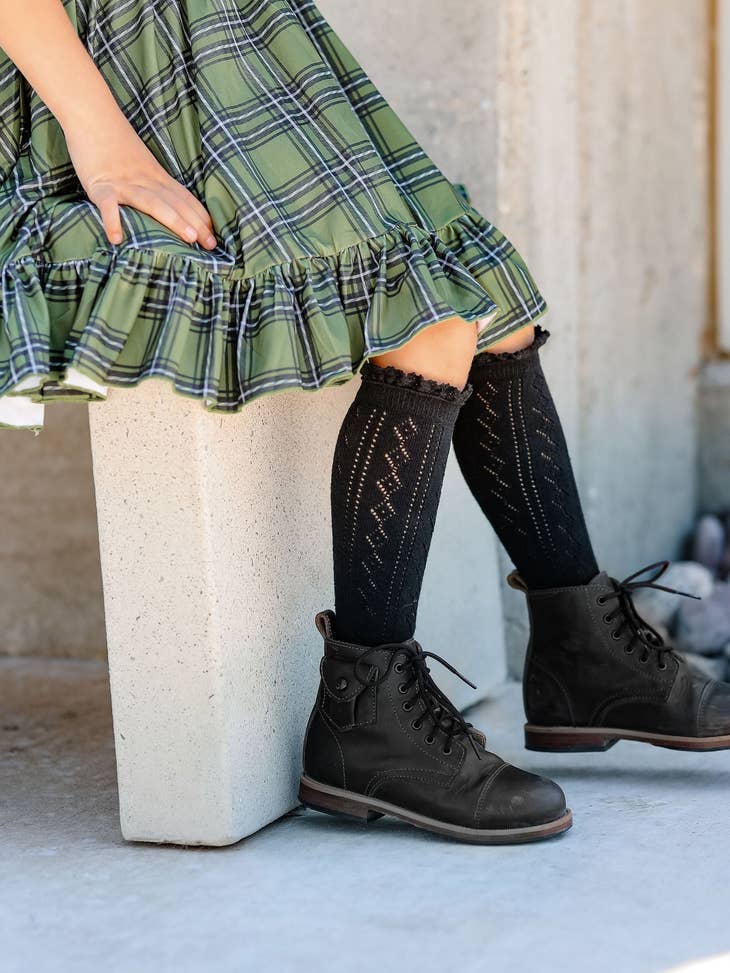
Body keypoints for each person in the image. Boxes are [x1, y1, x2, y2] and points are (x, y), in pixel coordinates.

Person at [2, 0, 728, 846]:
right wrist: (103, 137)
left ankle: (581, 647)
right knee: (427, 318)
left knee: (485, 298)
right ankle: (366, 710)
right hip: (108, 72)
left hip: (239, 39)